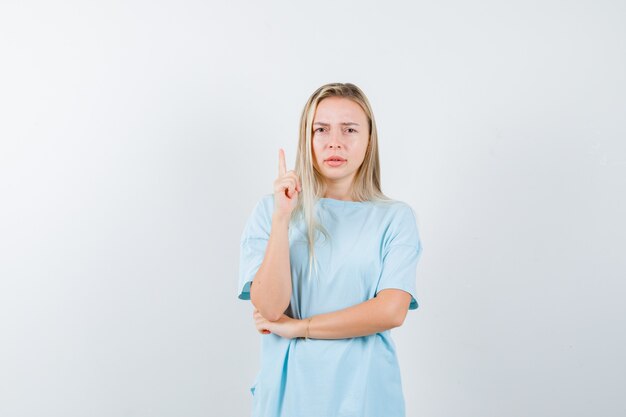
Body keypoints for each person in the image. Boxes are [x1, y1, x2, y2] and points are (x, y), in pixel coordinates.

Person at [238, 82, 423, 417]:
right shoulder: (270, 212)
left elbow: (390, 311)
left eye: (349, 129)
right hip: (290, 395)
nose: (335, 142)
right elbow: (269, 306)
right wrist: (283, 218)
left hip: (365, 395)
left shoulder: (395, 219)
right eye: (321, 129)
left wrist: (302, 327)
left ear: (369, 139)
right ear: (306, 139)